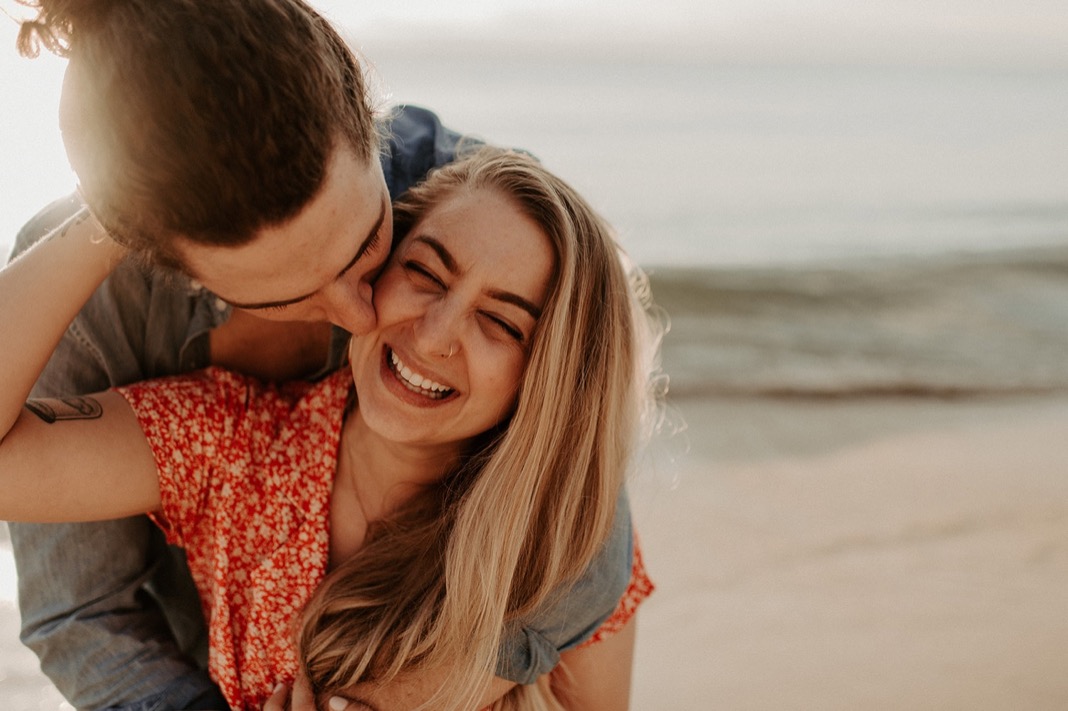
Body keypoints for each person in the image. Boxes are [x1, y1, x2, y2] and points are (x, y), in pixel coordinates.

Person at [8, 1, 642, 709]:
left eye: (370, 245)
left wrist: (398, 694)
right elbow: (81, 612)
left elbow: (576, 463)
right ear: (174, 266)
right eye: (288, 294)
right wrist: (121, 206)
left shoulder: (474, 205)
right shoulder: (218, 434)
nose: (360, 312)